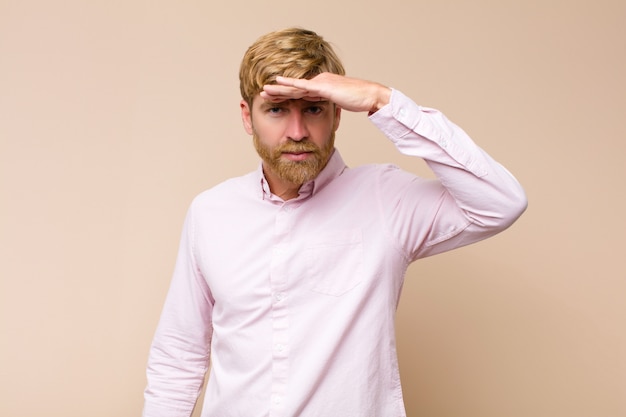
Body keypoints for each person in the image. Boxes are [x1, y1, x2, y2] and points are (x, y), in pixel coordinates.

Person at [142, 27, 527, 417]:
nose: (297, 132)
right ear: (247, 116)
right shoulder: (210, 212)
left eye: (313, 109)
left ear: (338, 113)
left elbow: (501, 203)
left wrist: (383, 100)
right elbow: (179, 353)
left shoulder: (384, 199)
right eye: (276, 110)